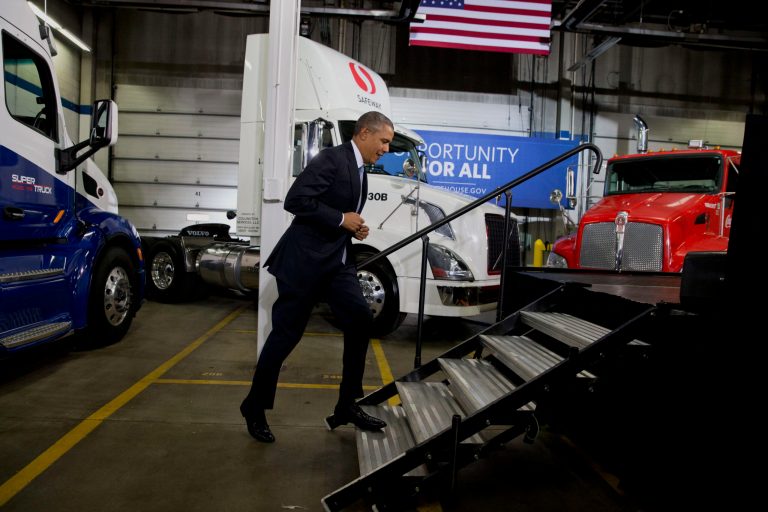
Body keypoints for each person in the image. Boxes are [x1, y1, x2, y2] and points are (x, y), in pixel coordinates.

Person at [239, 111, 393, 443]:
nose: (386, 149)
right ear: (364, 133)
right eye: (384, 141)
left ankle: (347, 404)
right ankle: (254, 406)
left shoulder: (359, 168)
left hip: (336, 264)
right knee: (286, 336)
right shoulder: (332, 159)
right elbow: (296, 201)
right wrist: (340, 219)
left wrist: (353, 227)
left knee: (360, 319)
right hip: (304, 262)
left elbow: (338, 214)